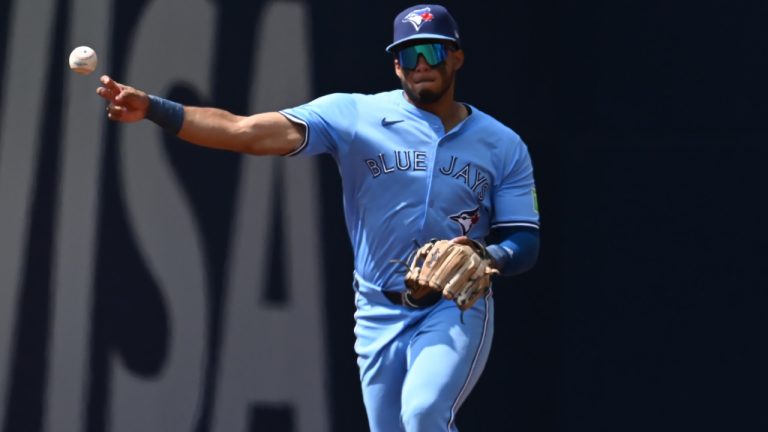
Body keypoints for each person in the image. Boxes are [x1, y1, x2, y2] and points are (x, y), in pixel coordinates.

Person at [97, 4, 540, 431]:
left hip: (454, 304)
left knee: (423, 414)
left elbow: (524, 240)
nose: (421, 63)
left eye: (434, 51)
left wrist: (487, 254)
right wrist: (155, 108)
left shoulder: (502, 144)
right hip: (376, 311)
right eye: (409, 54)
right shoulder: (355, 116)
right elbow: (243, 131)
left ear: (457, 56)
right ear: (396, 67)